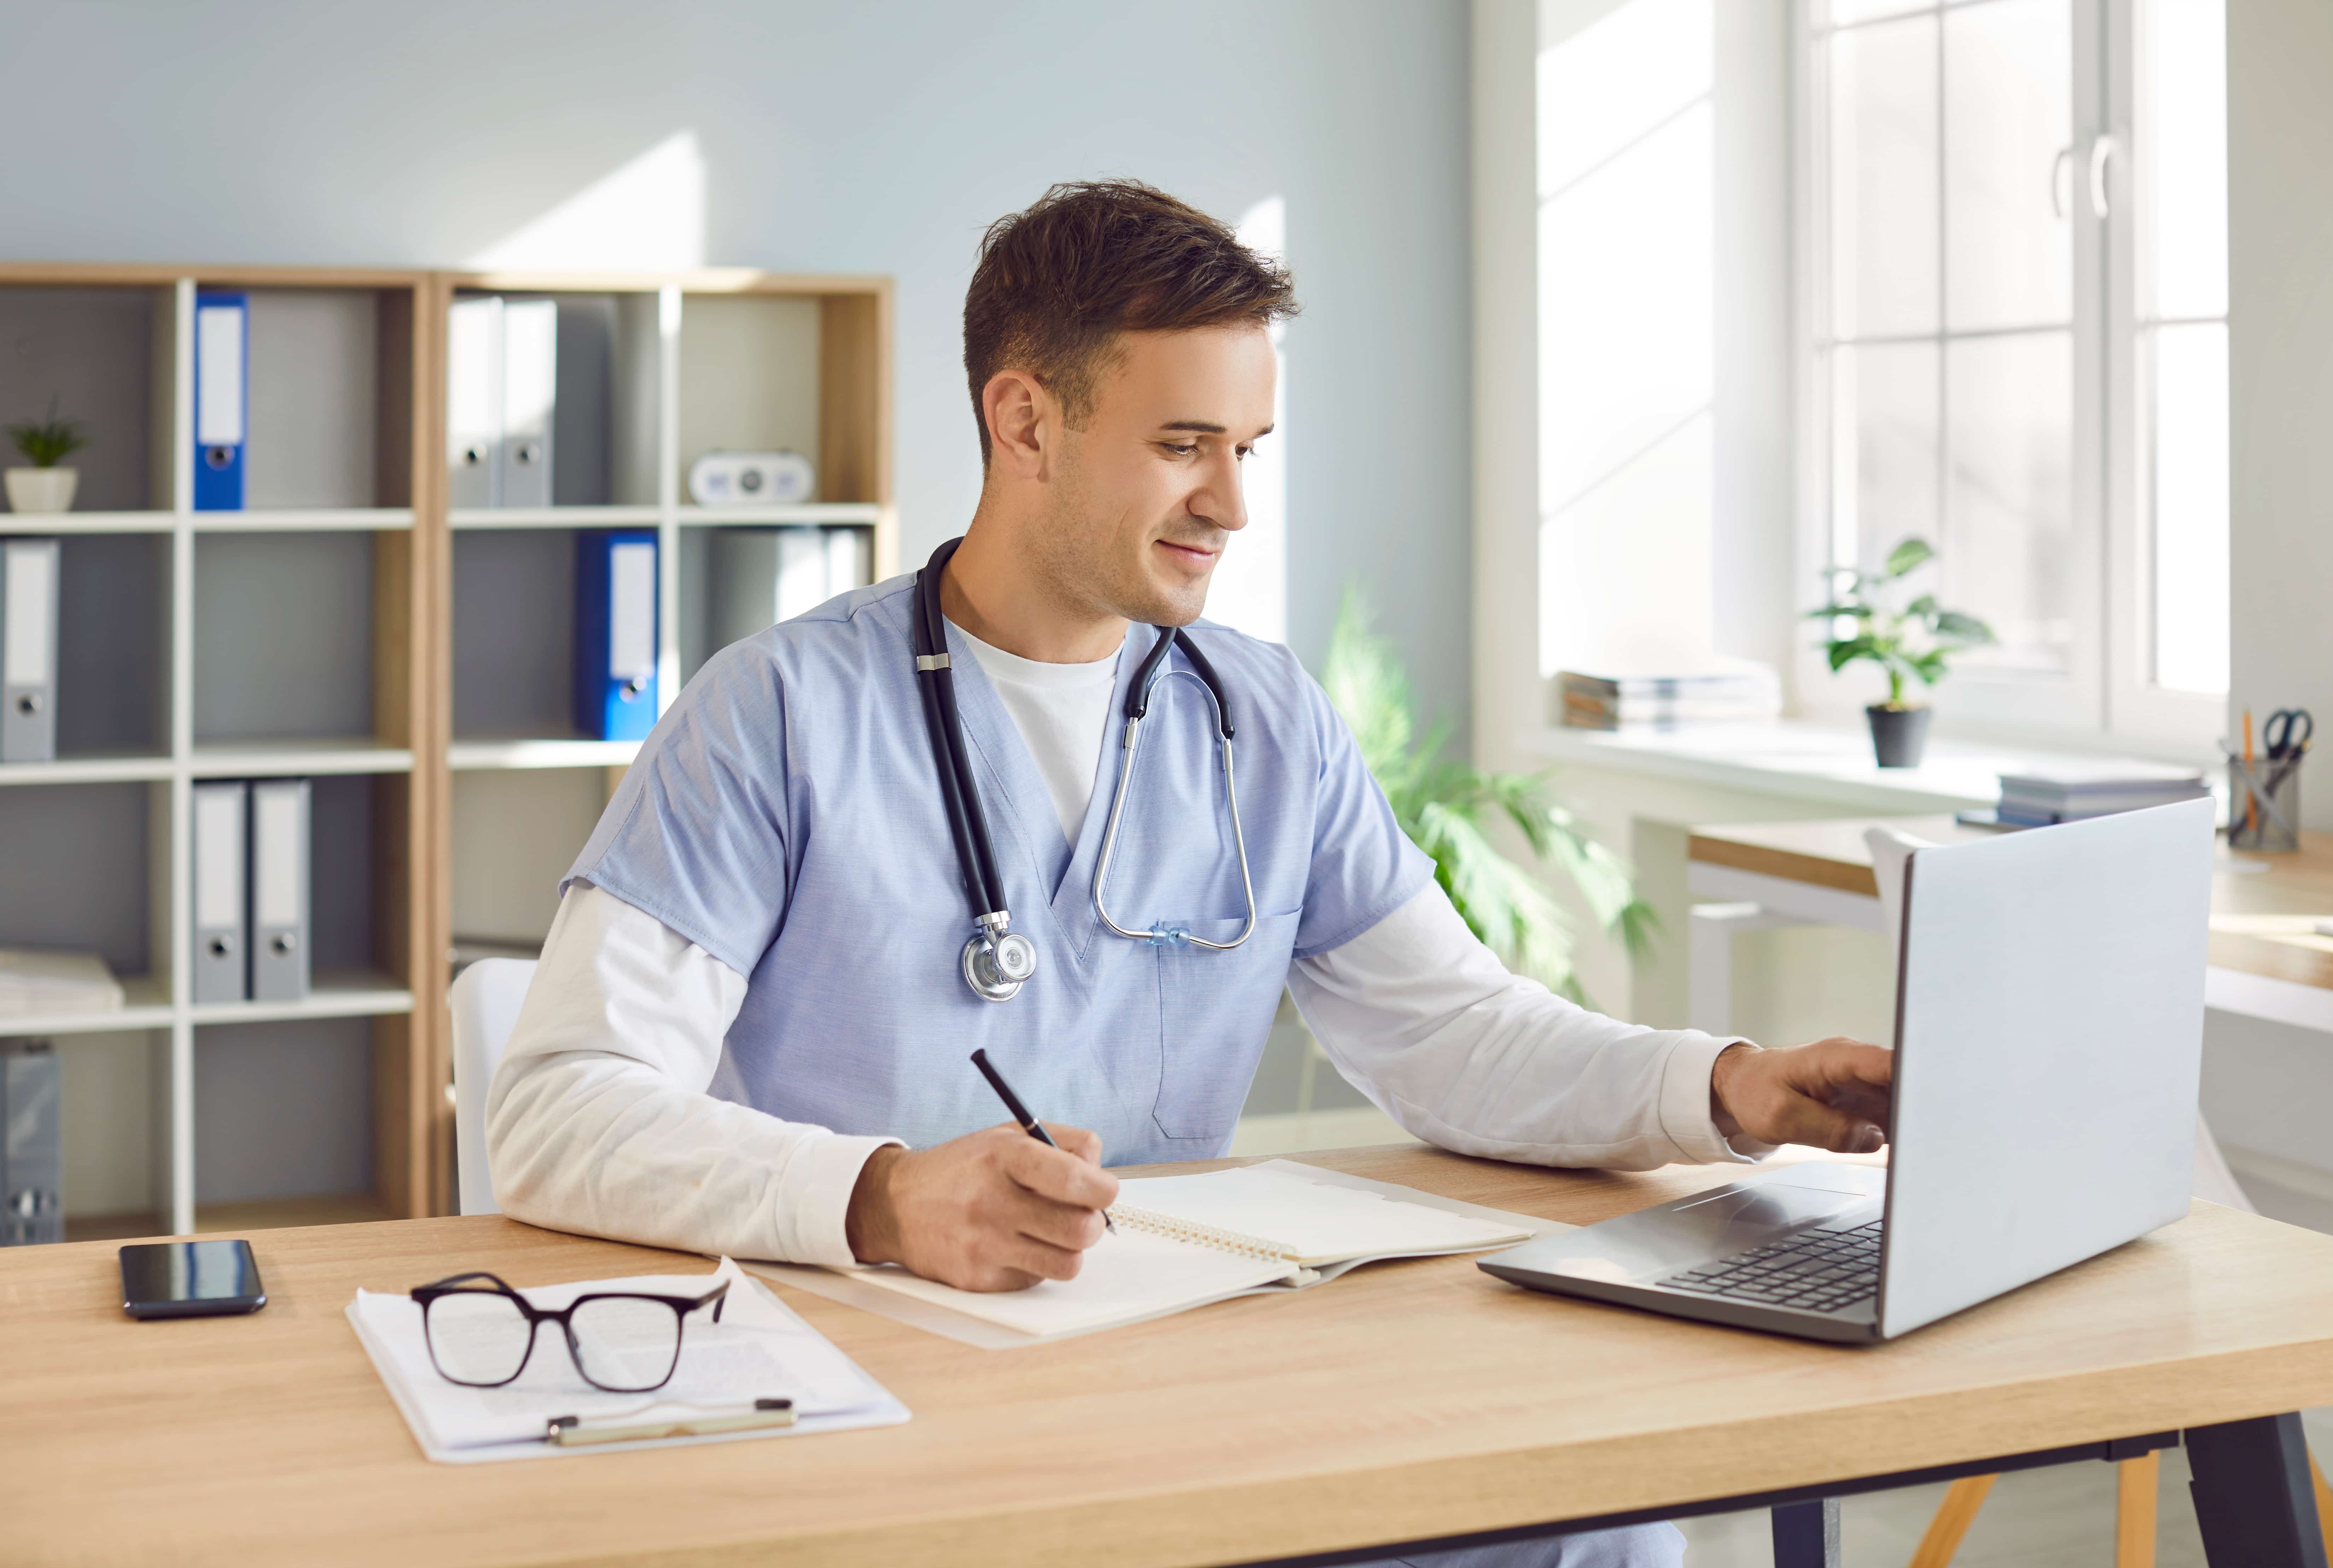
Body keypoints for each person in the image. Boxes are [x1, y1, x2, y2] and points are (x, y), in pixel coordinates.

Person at [488, 180, 1893, 1568]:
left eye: (1249, 448)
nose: (1229, 502)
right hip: (882, 1402)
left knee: (1598, 1533)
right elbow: (557, 1109)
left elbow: (1454, 1032)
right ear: (1024, 418)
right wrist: (886, 1193)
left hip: (1189, 1381)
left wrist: (1724, 1084)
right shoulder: (777, 716)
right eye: (1182, 444)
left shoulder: (1261, 715)